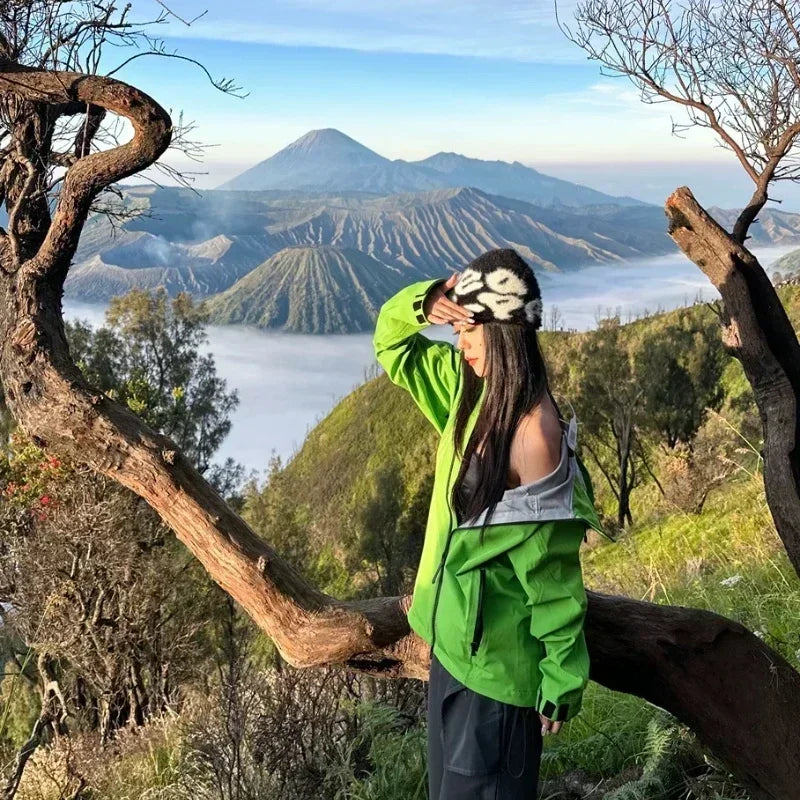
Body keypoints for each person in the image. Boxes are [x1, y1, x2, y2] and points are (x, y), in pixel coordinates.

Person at [373, 248, 614, 799]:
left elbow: (551, 575)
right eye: (456, 325)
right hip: (451, 653)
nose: (459, 341)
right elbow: (390, 346)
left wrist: (562, 674)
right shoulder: (467, 395)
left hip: (497, 684)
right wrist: (424, 301)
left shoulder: (534, 434)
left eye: (469, 326)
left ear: (505, 329)